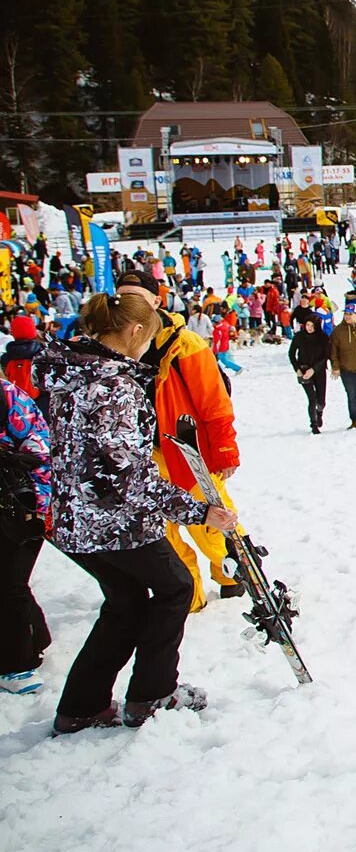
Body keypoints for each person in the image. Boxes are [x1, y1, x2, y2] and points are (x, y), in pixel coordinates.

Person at [35, 293, 238, 735]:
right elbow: (129, 476)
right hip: (113, 522)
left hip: (73, 517)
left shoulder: (66, 371)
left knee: (125, 602)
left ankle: (82, 706)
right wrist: (200, 511)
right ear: (134, 332)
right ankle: (153, 695)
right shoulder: (111, 385)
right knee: (175, 588)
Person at [116, 271, 244, 614]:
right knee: (163, 531)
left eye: (136, 297)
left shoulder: (183, 343)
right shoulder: (116, 345)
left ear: (156, 301)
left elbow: (214, 400)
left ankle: (235, 574)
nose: (128, 305)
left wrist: (224, 448)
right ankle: (187, 594)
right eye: (122, 297)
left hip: (186, 451)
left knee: (211, 519)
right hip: (144, 455)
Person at [0, 378, 53, 696]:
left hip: (21, 504)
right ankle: (37, 637)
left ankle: (18, 665)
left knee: (8, 583)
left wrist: (38, 506)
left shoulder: (7, 397)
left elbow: (40, 449)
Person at [287, 309, 330, 434]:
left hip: (319, 370)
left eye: (312, 326)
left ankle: (319, 412)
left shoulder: (323, 338)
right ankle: (314, 425)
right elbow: (291, 354)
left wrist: (314, 369)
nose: (309, 328)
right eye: (307, 325)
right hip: (303, 370)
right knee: (312, 399)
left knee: (321, 400)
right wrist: (297, 369)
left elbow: (325, 356)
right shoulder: (299, 336)